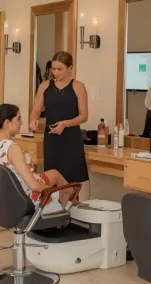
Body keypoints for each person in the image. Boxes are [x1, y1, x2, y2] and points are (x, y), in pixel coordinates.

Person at [0, 104, 78, 214]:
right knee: (66, 189)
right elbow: (34, 186)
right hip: (23, 196)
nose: (21, 122)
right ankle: (69, 212)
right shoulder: (12, 148)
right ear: (7, 123)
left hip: (6, 195)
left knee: (54, 174)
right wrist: (53, 191)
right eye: (18, 119)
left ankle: (69, 209)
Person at [30, 51, 89, 185]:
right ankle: (54, 205)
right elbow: (36, 110)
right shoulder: (44, 86)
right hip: (51, 139)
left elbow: (84, 115)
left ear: (70, 68)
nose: (55, 72)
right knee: (51, 179)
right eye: (53, 68)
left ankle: (71, 204)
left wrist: (65, 124)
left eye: (60, 69)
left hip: (71, 139)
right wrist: (33, 119)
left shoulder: (78, 87)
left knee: (71, 181)